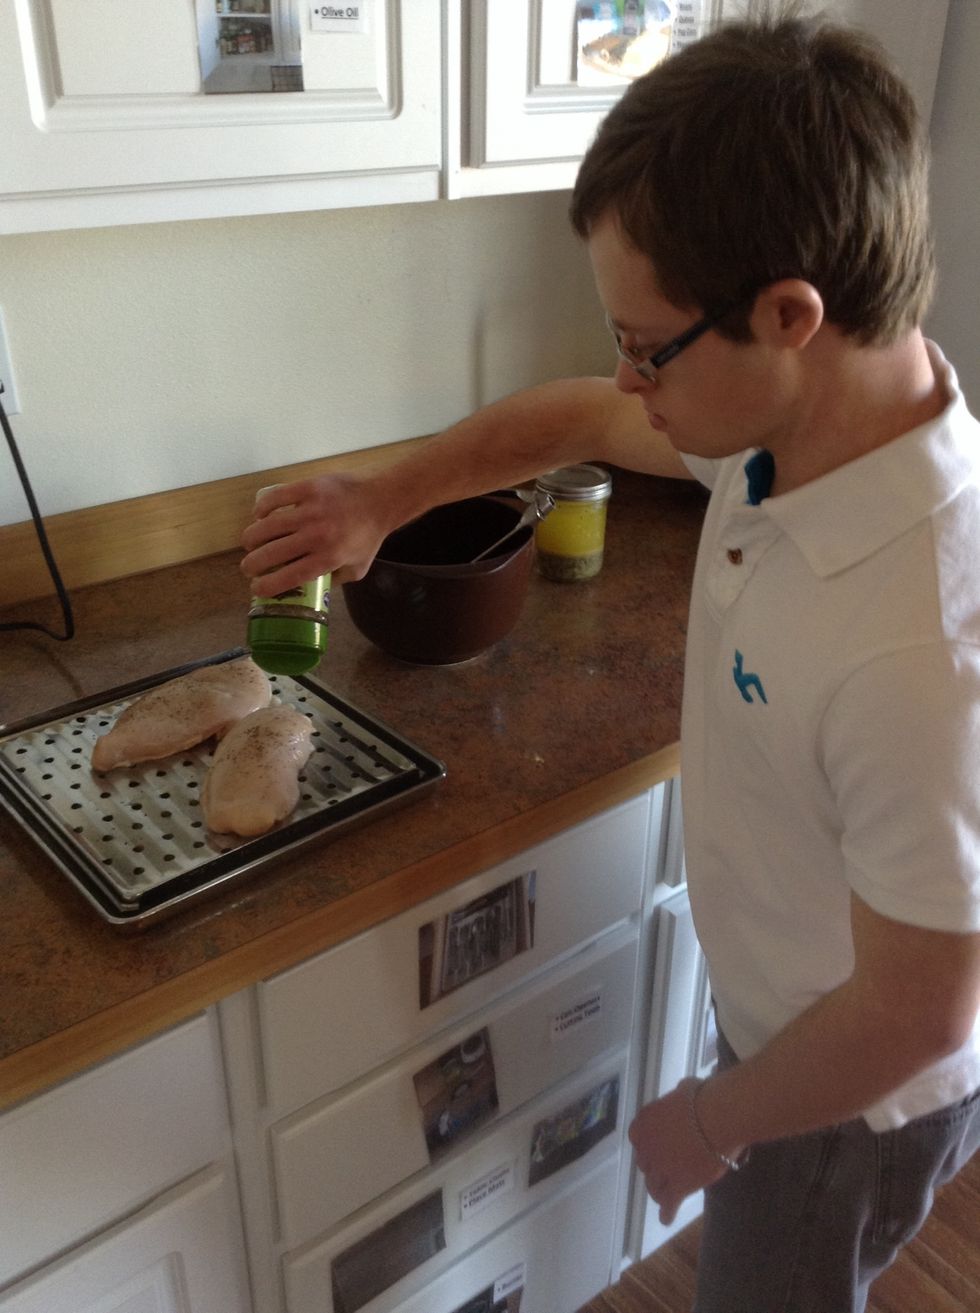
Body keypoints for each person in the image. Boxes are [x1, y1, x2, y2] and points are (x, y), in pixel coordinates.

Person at [241, 5, 980, 1309]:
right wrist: (381, 499)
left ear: (792, 313)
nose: (624, 380)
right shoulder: (801, 429)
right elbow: (577, 417)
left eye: (647, 345)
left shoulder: (926, 644)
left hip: (846, 1108)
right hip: (785, 1017)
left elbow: (921, 1011)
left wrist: (711, 1115)